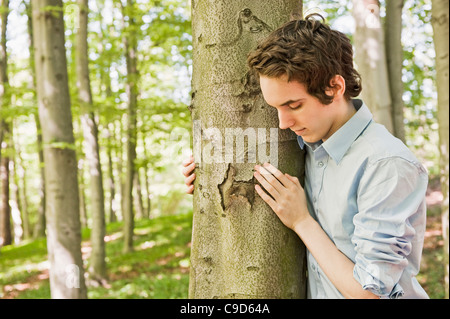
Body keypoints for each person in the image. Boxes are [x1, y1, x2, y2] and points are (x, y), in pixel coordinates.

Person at [182, 14, 429, 299]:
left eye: (294, 105)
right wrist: (209, 172)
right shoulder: (304, 144)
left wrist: (301, 221)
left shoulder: (387, 165)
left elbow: (371, 294)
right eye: (275, 108)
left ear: (334, 87)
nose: (283, 123)